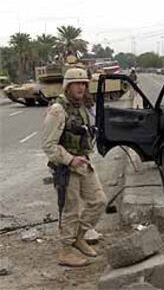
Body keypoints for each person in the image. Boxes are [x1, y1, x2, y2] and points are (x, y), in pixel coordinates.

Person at [41, 68, 107, 267]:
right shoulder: (58, 110)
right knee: (70, 210)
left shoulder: (79, 107)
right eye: (77, 83)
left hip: (83, 163)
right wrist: (70, 159)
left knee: (98, 201)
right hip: (66, 168)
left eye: (84, 84)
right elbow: (48, 145)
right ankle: (66, 251)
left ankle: (78, 237)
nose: (82, 87)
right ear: (67, 86)